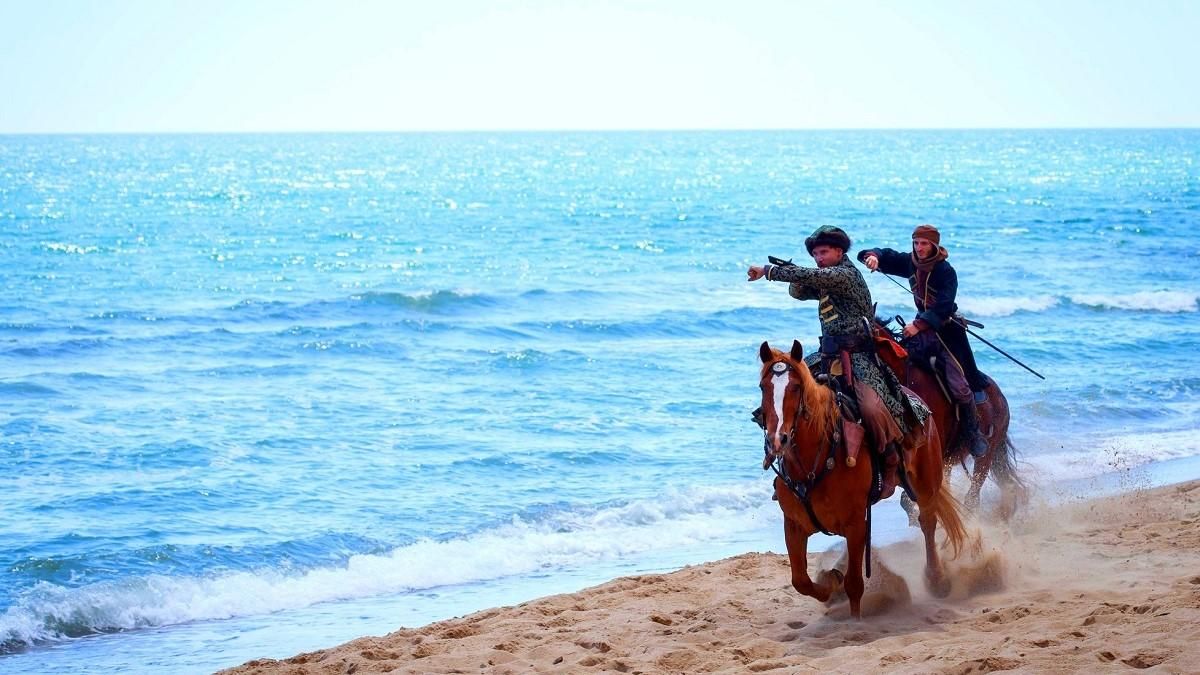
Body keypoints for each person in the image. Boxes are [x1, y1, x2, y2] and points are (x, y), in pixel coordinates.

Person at [748, 225, 913, 499]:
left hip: (858, 356)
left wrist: (769, 271)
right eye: (815, 254)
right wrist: (795, 273)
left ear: (839, 251)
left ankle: (891, 461)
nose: (819, 258)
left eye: (823, 252)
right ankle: (783, 459)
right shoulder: (826, 277)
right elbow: (798, 292)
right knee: (781, 392)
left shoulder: (846, 275)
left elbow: (810, 275)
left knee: (871, 407)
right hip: (827, 354)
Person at [857, 224, 988, 458]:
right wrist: (873, 257)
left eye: (924, 244)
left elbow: (944, 305)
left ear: (934, 245)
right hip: (920, 332)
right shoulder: (911, 262)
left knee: (961, 385)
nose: (919, 248)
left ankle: (973, 432)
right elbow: (886, 255)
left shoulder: (946, 271)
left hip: (947, 333)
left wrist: (918, 324)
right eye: (916, 243)